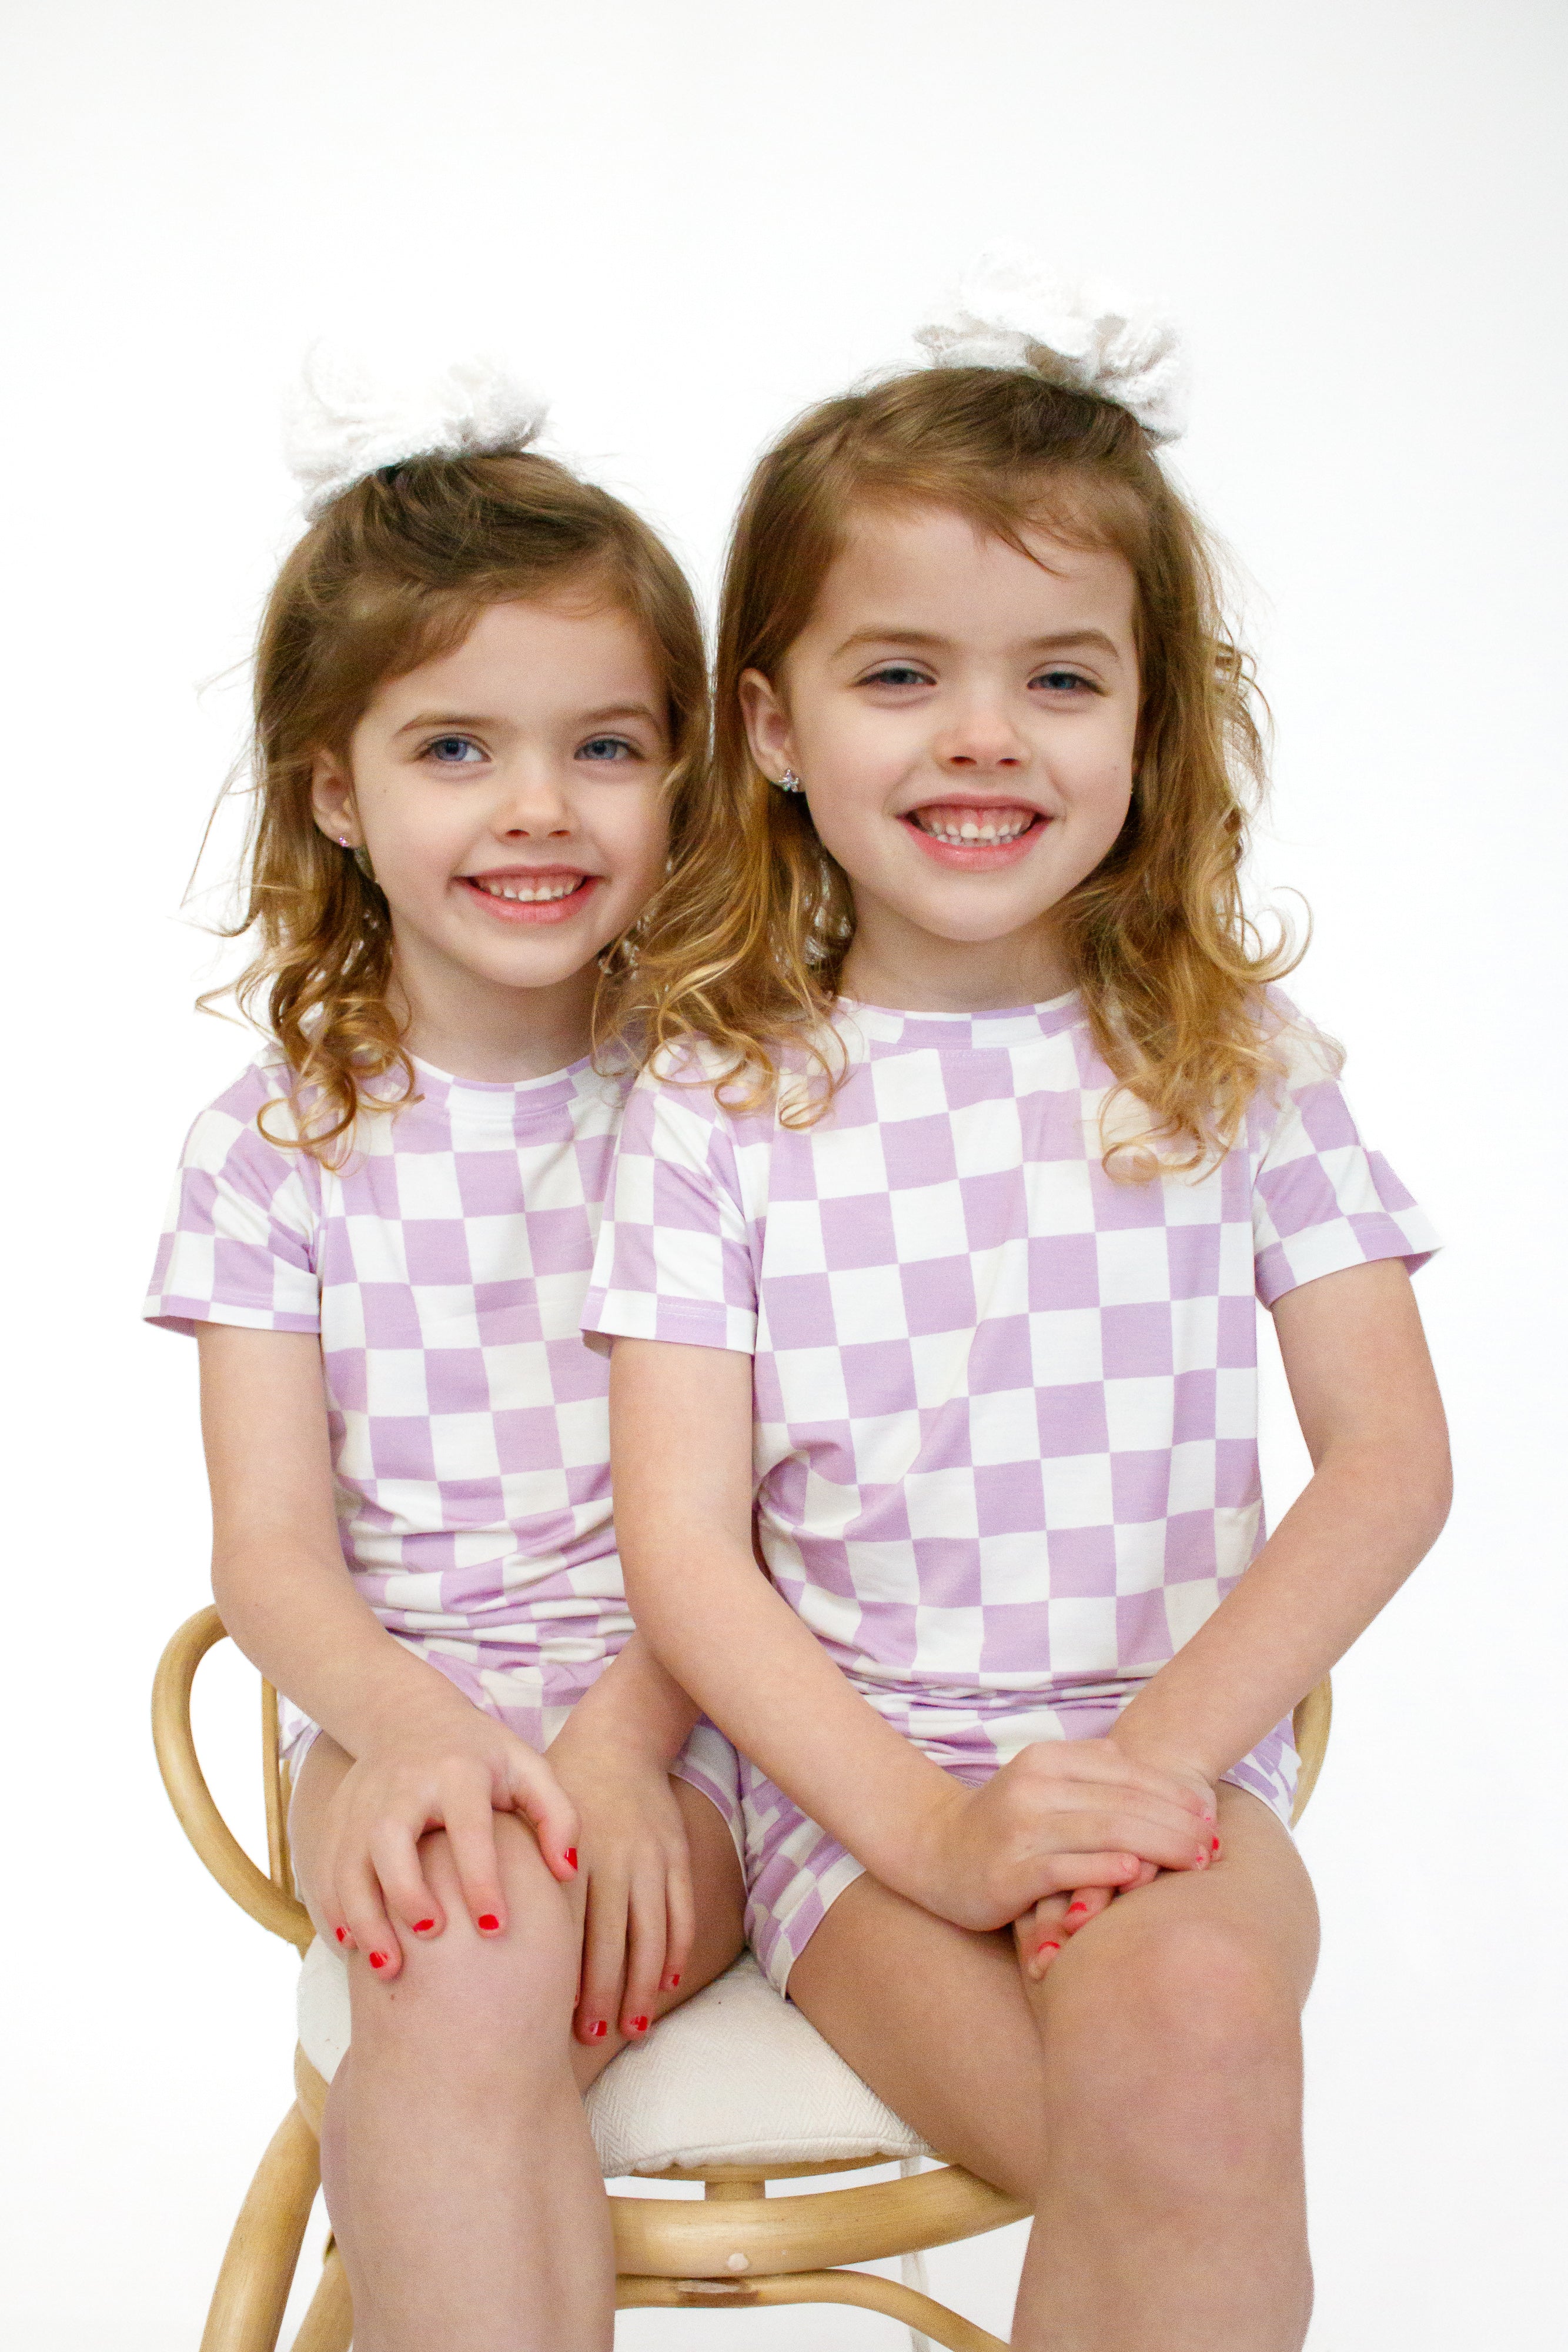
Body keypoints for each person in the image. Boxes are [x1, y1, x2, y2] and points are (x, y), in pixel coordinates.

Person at [586, 258, 1450, 2350]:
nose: (983, 735)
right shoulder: (716, 1105)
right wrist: (944, 1832)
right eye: (901, 675)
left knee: (1194, 2048)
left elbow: (1387, 1464)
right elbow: (683, 1553)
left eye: (1059, 678)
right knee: (1164, 2157)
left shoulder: (1237, 1068)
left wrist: (1141, 1779)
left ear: (1149, 724)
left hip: (1177, 1770)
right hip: (854, 1817)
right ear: (771, 729)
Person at [145, 353, 744, 2352]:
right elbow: (270, 1552)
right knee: (465, 1954)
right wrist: (408, 1732)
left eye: (604, 747)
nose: (537, 808)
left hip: (697, 1720)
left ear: (684, 777)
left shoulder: (730, 1107)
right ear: (337, 787)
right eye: (456, 748)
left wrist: (625, 1744)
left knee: (475, 2004)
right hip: (392, 1713)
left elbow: (761, 1508)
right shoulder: (274, 1147)